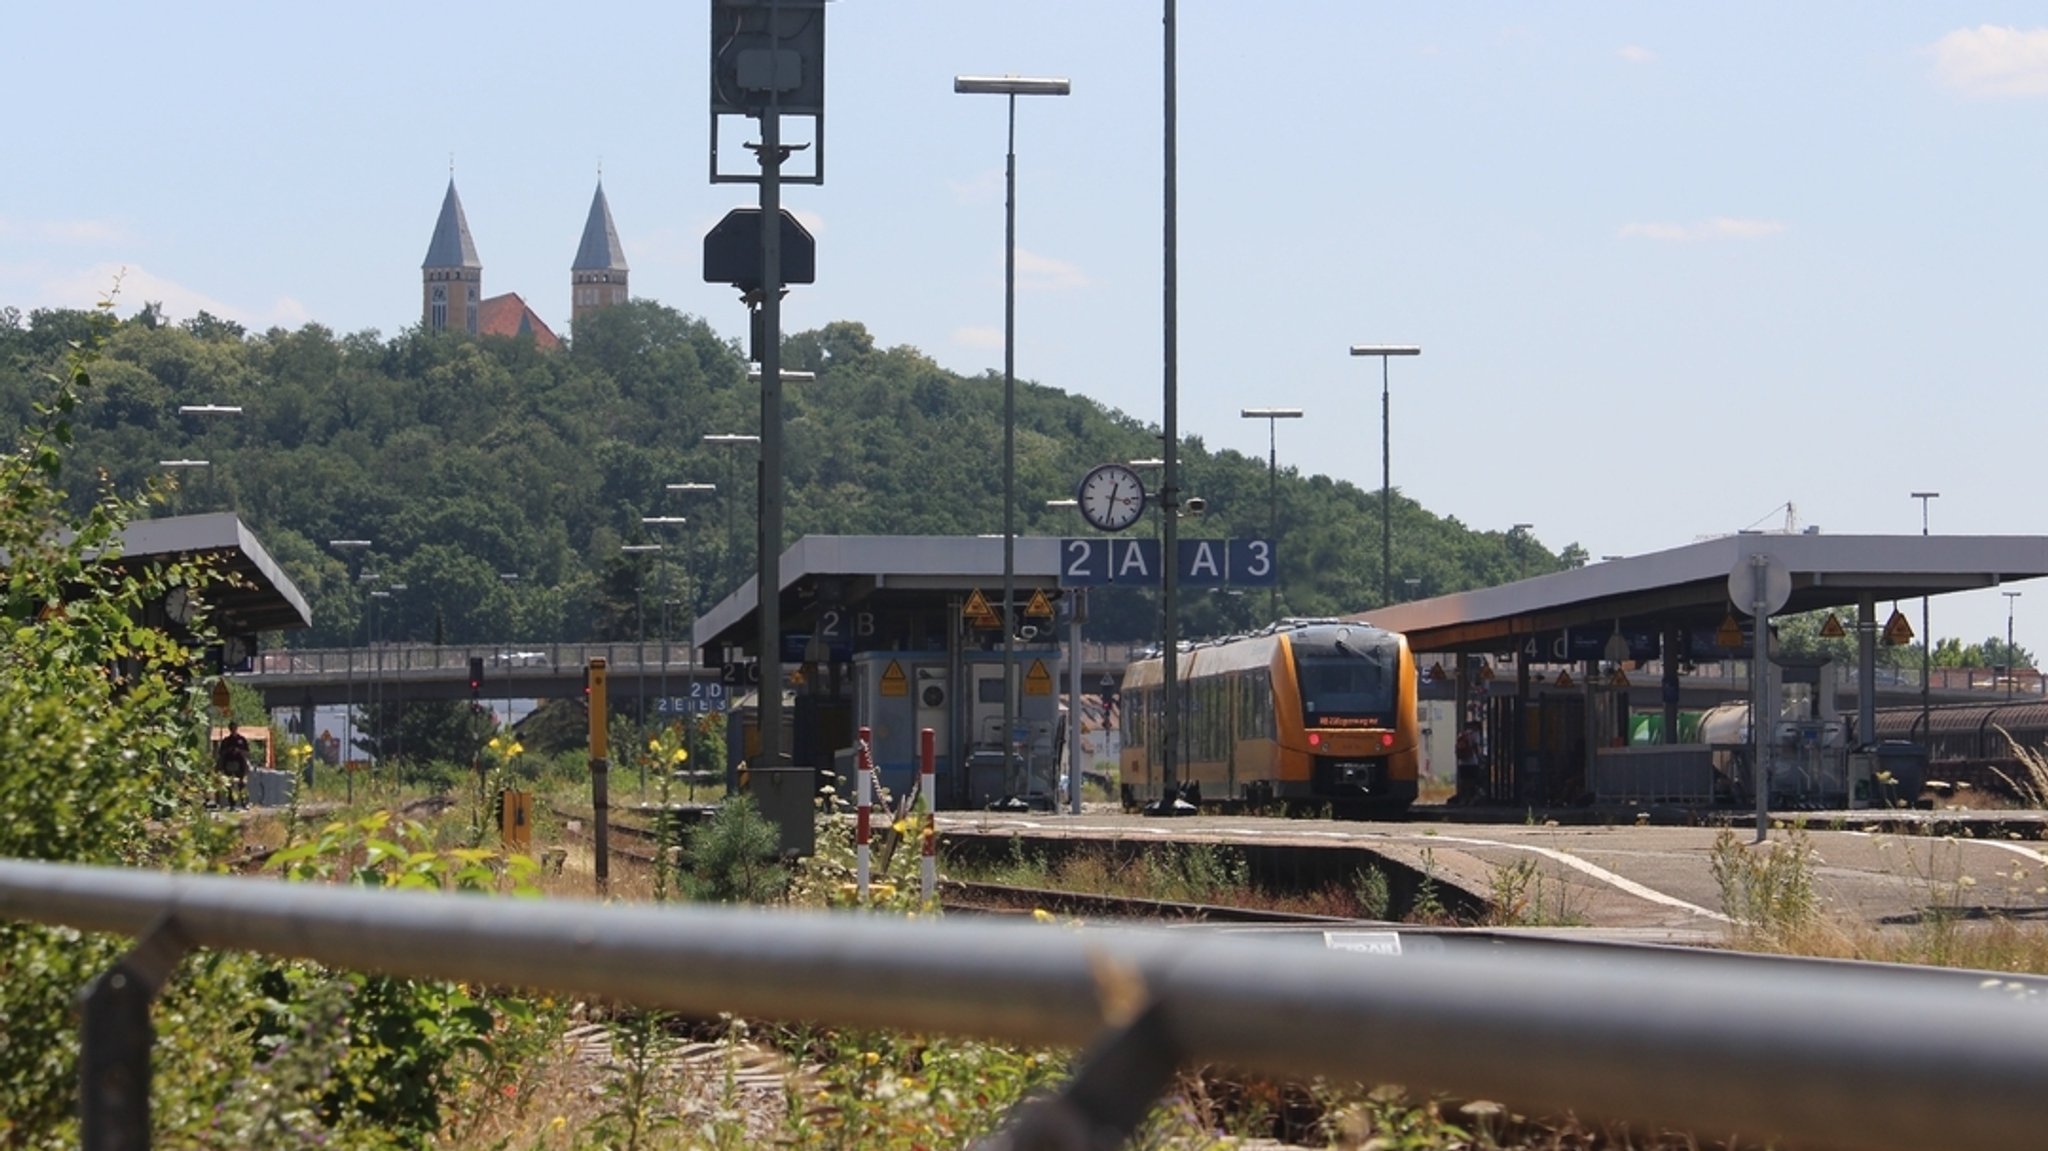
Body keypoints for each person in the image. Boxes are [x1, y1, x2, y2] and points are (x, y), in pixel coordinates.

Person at [216, 722, 252, 808]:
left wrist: (239, 751)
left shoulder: (242, 740)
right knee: (230, 785)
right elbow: (221, 753)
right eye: (231, 728)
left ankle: (244, 803)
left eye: (234, 727)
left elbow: (247, 752)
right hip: (229, 763)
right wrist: (229, 750)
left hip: (240, 763)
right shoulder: (226, 740)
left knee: (242, 784)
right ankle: (232, 804)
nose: (233, 729)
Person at [1453, 720, 1484, 806]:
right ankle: (1471, 800)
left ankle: (1463, 800)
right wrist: (1480, 758)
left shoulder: (1463, 734)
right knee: (1473, 782)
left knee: (1464, 782)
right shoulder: (1475, 734)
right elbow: (1476, 747)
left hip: (1462, 763)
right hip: (1472, 762)